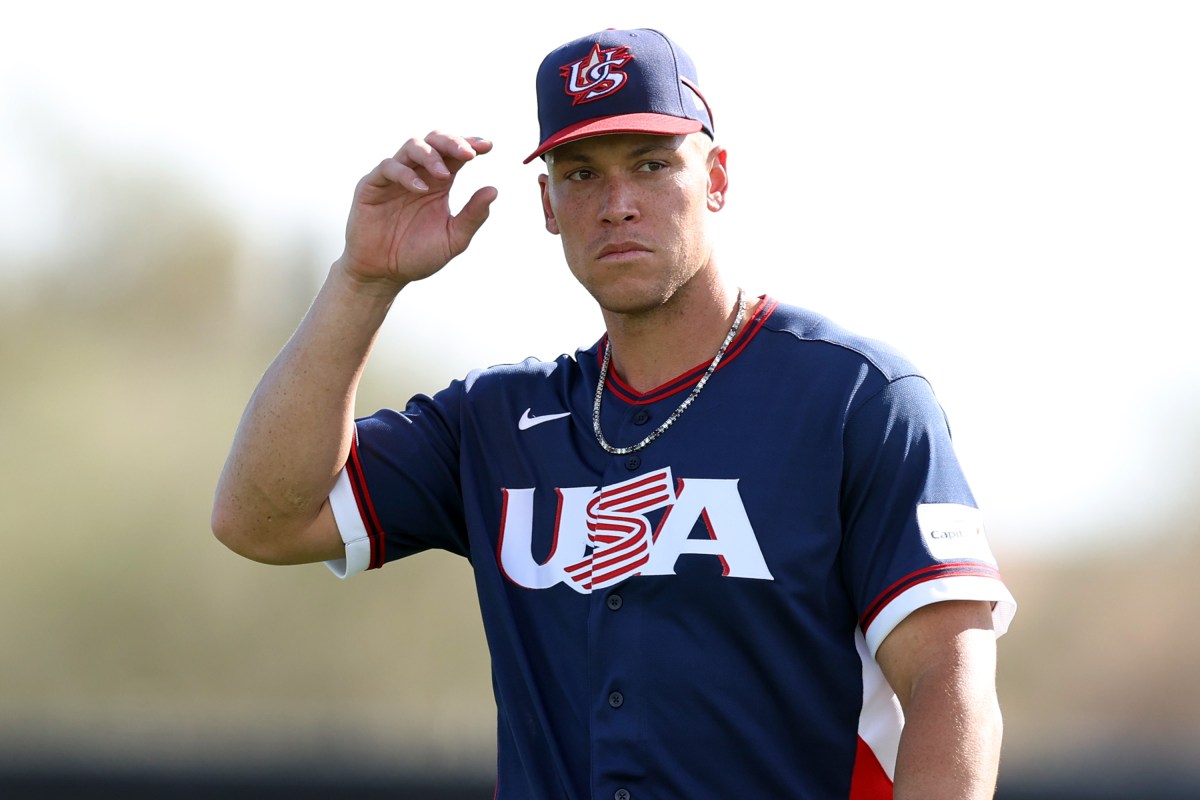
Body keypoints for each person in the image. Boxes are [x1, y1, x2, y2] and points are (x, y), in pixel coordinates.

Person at [212, 27, 1016, 800]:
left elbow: (949, 683)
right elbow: (263, 518)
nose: (618, 203)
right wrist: (362, 280)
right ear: (549, 204)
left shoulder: (854, 397)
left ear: (718, 177)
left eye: (652, 162)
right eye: (582, 173)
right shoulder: (496, 424)